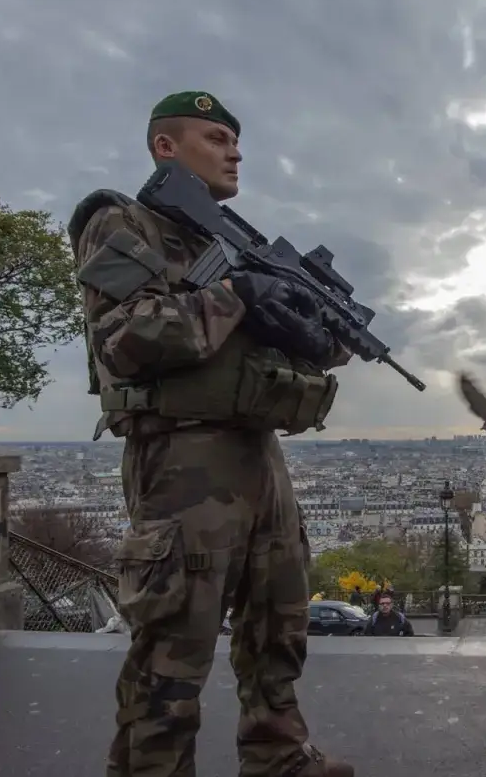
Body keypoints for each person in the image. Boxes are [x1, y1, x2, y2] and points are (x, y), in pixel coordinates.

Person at [68, 91, 354, 777]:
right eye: (216, 137)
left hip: (258, 447)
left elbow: (294, 348)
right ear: (166, 146)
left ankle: (279, 753)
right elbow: (127, 337)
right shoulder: (121, 221)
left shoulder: (227, 243)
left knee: (278, 621)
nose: (235, 151)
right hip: (182, 454)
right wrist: (237, 296)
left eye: (235, 140)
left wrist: (311, 320)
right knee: (174, 640)